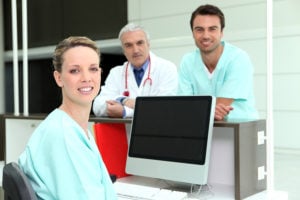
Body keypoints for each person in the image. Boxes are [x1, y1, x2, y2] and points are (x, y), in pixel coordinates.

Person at [18, 36, 117, 200]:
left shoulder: (71, 127)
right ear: (59, 78)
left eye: (93, 69)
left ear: (100, 73)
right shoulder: (63, 136)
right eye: (75, 70)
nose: (86, 78)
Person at [177, 4, 258, 120]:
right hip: (202, 132)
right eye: (199, 30)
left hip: (240, 131)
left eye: (212, 29)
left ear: (222, 32)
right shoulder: (188, 61)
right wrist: (204, 111)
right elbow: (183, 107)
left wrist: (196, 110)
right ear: (193, 33)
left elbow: (220, 109)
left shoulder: (238, 59)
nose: (205, 36)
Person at [93, 23, 178, 118]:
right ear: (123, 50)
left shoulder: (167, 68)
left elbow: (164, 108)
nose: (135, 50)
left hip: (158, 131)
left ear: (148, 44)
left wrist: (125, 112)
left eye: (140, 43)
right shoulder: (116, 73)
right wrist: (123, 100)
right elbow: (97, 106)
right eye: (128, 45)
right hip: (125, 133)